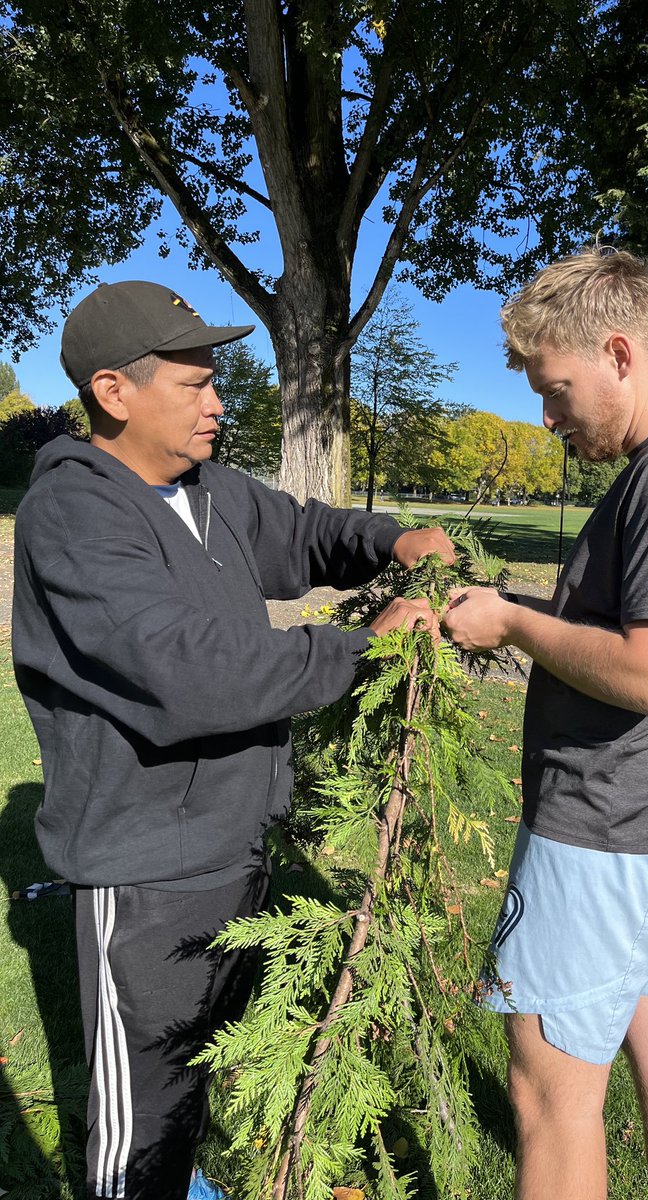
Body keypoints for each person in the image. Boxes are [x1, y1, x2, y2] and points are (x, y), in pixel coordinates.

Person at [12, 280, 454, 1200]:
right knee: (142, 1129)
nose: (219, 403)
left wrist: (396, 540)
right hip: (144, 869)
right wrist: (358, 653)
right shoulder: (74, 513)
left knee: (202, 1082)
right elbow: (188, 669)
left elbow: (306, 533)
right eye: (195, 385)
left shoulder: (208, 491)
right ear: (113, 391)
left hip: (235, 843)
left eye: (217, 382)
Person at [443, 248, 648, 1200]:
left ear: (619, 352)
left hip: (609, 831)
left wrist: (511, 620)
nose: (548, 418)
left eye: (557, 389)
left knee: (547, 1093)